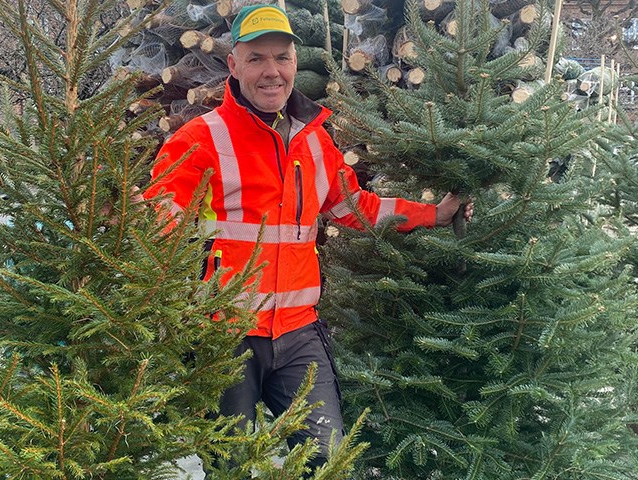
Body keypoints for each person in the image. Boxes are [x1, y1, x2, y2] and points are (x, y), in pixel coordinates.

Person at [143, 3, 474, 474]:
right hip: (224, 336)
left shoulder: (315, 141)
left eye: (282, 57)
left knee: (327, 461)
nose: (272, 71)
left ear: (296, 63)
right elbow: (157, 223)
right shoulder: (200, 139)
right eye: (256, 58)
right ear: (232, 65)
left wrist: (434, 214)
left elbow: (356, 207)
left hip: (299, 335)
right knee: (228, 467)